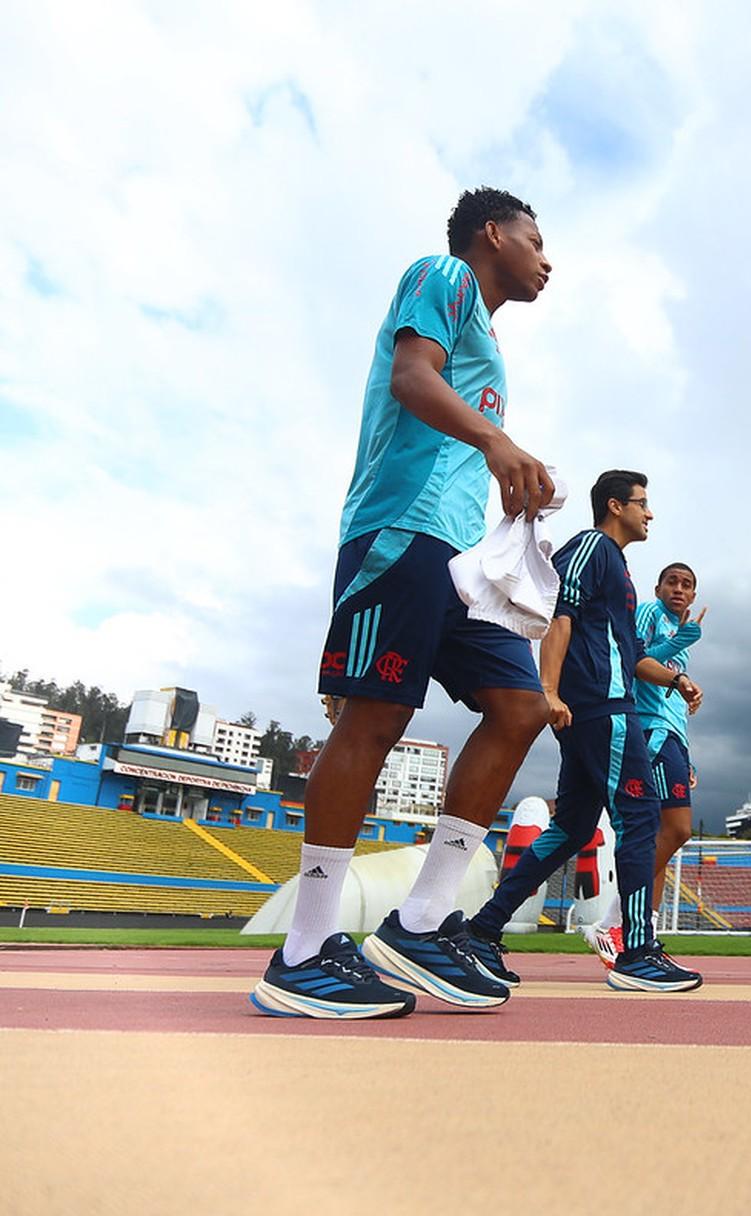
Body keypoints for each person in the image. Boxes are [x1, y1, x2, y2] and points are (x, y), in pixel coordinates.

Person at [251, 187, 554, 1020]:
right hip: (398, 531)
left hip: (460, 559)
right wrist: (496, 442)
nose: (546, 258)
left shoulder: (486, 338)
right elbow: (411, 376)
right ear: (492, 234)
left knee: (521, 707)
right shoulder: (442, 276)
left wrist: (509, 493)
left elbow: (452, 421)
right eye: (534, 240)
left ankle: (420, 921)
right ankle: (303, 950)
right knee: (376, 717)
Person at [466, 470, 705, 993]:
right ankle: (636, 952)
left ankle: (481, 931)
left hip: (597, 710)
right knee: (641, 818)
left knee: (571, 828)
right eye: (642, 503)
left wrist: (678, 679)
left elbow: (634, 656)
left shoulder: (619, 569)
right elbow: (559, 616)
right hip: (602, 709)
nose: (649, 513)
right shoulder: (591, 547)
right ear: (616, 506)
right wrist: (548, 690)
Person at [583, 562, 705, 972]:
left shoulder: (679, 634)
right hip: (651, 731)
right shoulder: (652, 614)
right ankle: (611, 923)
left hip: (671, 735)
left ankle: (642, 935)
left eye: (686, 585)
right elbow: (637, 661)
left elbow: (672, 693)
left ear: (693, 595)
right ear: (658, 588)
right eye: (672, 582)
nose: (678, 589)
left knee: (663, 839)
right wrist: (679, 650)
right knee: (676, 830)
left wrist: (685, 754)